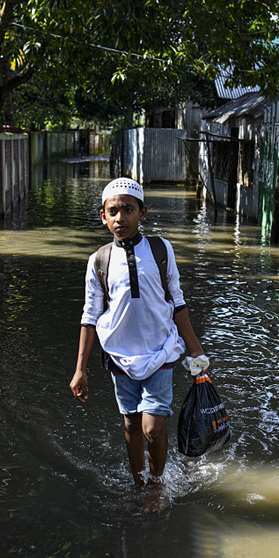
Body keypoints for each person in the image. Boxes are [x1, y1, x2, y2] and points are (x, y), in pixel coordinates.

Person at [70, 177, 209, 488]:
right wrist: (80, 370)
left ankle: (156, 484)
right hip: (120, 356)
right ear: (103, 216)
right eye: (114, 211)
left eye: (128, 210)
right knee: (132, 424)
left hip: (160, 350)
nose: (121, 218)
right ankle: (139, 482)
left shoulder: (161, 250)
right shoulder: (99, 261)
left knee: (153, 428)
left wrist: (195, 349)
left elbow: (177, 300)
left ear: (142, 213)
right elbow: (90, 316)